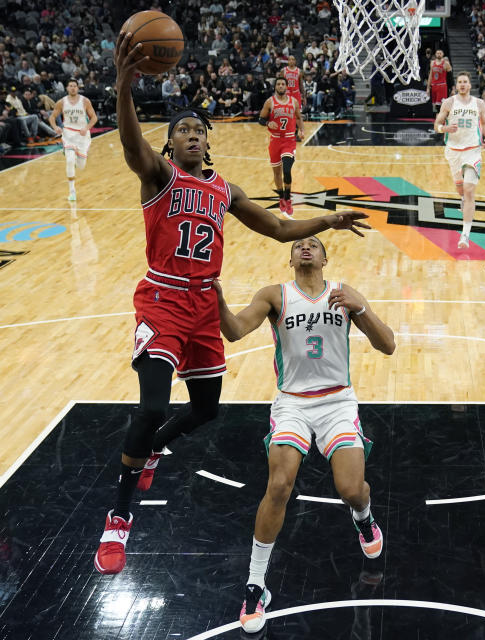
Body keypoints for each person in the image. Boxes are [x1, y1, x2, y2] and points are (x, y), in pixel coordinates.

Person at [93, 32, 370, 576]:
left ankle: (151, 450)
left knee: (204, 408)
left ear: (208, 141)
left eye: (200, 129)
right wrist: (124, 84)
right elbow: (130, 145)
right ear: (169, 145)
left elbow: (280, 227)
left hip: (203, 305)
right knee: (151, 408)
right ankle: (118, 516)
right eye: (182, 131)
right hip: (162, 299)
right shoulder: (160, 176)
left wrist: (329, 219)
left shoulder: (225, 190)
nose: (193, 135)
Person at [214, 235, 396, 633]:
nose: (305, 248)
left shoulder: (343, 293)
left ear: (326, 258)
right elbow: (234, 331)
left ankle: (363, 517)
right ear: (291, 258)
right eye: (298, 246)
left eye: (313, 244)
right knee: (278, 485)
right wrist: (218, 299)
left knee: (351, 490)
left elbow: (389, 346)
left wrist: (360, 307)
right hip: (292, 404)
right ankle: (255, 586)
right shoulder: (274, 295)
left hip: (337, 403)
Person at [434, 72, 485, 249]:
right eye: (459, 82)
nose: (462, 84)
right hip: (453, 151)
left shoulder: (479, 103)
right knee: (460, 187)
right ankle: (462, 198)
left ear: (470, 85)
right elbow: (437, 125)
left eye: (465, 82)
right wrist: (444, 128)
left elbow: (484, 122)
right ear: (456, 85)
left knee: (469, 191)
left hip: (473, 151)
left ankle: (465, 235)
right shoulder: (449, 102)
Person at [258, 76, 303, 218]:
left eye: (283, 84)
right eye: (278, 84)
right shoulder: (269, 102)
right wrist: (267, 123)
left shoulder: (293, 101)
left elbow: (299, 117)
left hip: (289, 140)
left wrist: (301, 130)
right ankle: (281, 198)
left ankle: (288, 198)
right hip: (275, 141)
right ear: (275, 87)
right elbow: (260, 118)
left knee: (287, 170)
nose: (281, 86)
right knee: (277, 173)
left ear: (286, 86)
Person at [48, 79, 98, 201]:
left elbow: (94, 118)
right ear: (67, 88)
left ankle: (76, 156)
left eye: (74, 86)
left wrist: (86, 128)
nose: (73, 88)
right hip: (68, 134)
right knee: (70, 160)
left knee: (81, 166)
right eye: (70, 86)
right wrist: (55, 127)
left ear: (78, 88)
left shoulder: (85, 101)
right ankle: (72, 192)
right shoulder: (61, 102)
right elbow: (52, 117)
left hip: (82, 136)